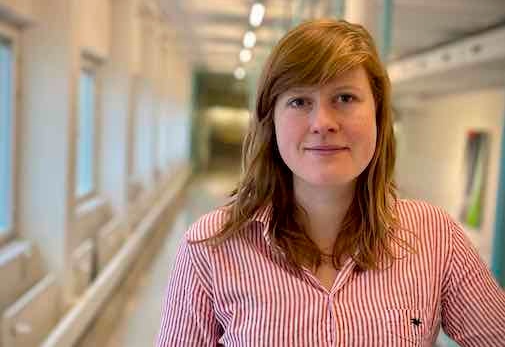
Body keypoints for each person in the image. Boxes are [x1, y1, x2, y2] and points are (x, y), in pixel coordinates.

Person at [156, 19, 505, 346]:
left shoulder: (435, 238)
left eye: (345, 98)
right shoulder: (210, 248)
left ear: (379, 115)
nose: (323, 122)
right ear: (271, 121)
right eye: (299, 101)